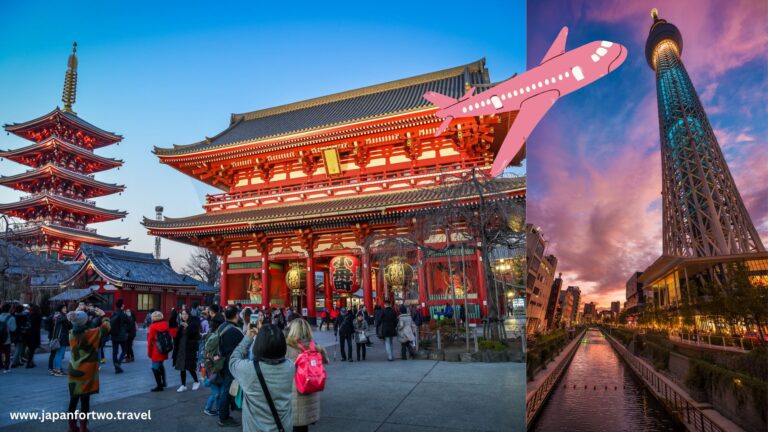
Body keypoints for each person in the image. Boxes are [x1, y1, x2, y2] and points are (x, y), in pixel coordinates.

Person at [230, 322, 294, 431]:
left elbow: (233, 360)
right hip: (283, 427)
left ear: (258, 345)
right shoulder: (289, 366)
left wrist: (248, 338)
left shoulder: (248, 369)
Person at [66, 308, 110, 432]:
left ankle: (72, 426)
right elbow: (106, 327)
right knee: (85, 400)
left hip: (74, 370)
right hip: (88, 371)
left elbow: (76, 324)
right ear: (86, 321)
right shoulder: (93, 333)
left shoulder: (71, 333)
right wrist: (103, 315)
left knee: (73, 399)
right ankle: (83, 427)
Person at [286, 318, 329, 431]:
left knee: (295, 426)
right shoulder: (315, 347)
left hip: (295, 394)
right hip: (311, 390)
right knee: (303, 427)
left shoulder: (288, 348)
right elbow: (325, 361)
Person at [216, 306, 245, 427]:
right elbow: (243, 346)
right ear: (236, 316)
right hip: (230, 363)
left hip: (221, 361)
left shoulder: (222, 326)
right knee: (227, 389)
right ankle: (223, 417)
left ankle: (224, 411)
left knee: (225, 387)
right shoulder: (235, 330)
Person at [174, 309, 201, 392]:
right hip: (181, 348)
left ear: (189, 315)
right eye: (182, 314)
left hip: (189, 348)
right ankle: (183, 385)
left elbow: (196, 335)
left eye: (186, 314)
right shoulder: (181, 325)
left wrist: (188, 327)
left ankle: (196, 381)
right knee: (182, 367)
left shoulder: (193, 323)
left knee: (190, 367)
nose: (184, 315)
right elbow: (178, 336)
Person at [147, 311, 170, 392]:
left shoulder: (153, 326)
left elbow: (150, 341)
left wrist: (149, 353)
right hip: (164, 348)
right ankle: (164, 382)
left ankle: (159, 386)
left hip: (156, 350)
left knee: (155, 367)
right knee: (161, 365)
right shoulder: (165, 324)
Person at [48, 304, 71, 376]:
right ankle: (57, 370)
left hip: (57, 337)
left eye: (65, 308)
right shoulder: (62, 317)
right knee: (59, 355)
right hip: (62, 338)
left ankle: (55, 369)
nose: (66, 309)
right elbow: (70, 326)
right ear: (60, 309)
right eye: (64, 308)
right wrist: (69, 317)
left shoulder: (57, 316)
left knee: (57, 354)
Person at [110, 299, 129, 374]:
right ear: (122, 305)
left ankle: (116, 367)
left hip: (114, 335)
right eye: (123, 304)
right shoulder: (123, 314)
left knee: (115, 352)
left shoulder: (113, 313)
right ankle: (118, 363)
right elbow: (129, 322)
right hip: (122, 335)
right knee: (124, 350)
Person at [0, 302, 17, 374]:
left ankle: (0, 365)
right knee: (7, 353)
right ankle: (6, 368)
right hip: (6, 338)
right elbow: (13, 329)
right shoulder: (11, 318)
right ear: (9, 309)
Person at [23, 304, 42, 368]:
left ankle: (30, 361)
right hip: (35, 333)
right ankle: (29, 362)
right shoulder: (38, 316)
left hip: (29, 333)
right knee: (32, 349)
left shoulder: (30, 316)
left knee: (30, 349)